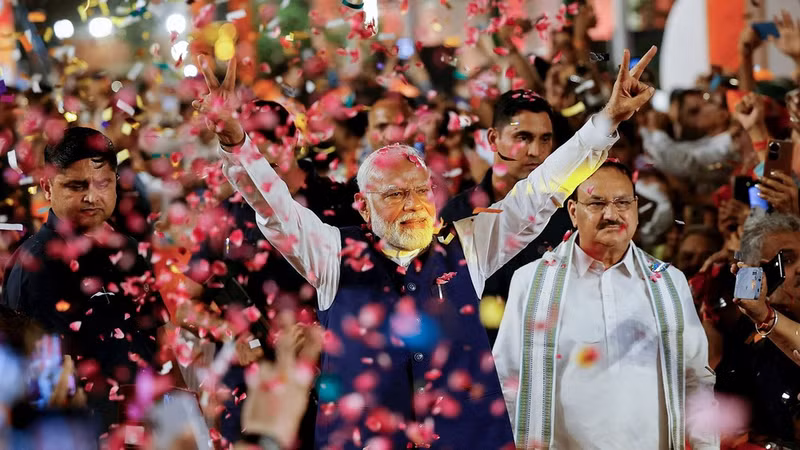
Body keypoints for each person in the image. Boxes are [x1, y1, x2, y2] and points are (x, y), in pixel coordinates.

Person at [193, 46, 658, 448]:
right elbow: (274, 209)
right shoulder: (331, 254)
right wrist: (236, 141)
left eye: (421, 192)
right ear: (362, 206)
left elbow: (542, 190)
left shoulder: (471, 244)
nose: (414, 206)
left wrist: (609, 120)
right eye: (395, 195)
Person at [493, 160, 719, 449]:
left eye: (623, 202)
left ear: (636, 209)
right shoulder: (531, 282)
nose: (612, 214)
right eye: (596, 203)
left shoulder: (669, 283)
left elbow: (696, 381)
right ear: (573, 211)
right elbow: (507, 382)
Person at [2, 127, 170, 432]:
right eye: (76, 186)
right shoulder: (32, 264)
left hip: (144, 424)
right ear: (47, 187)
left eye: (102, 183)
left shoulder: (130, 250)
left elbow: (157, 337)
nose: (92, 196)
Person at [439, 90, 569, 345]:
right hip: (482, 361)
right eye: (523, 137)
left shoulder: (565, 214)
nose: (535, 151)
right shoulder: (456, 216)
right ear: (493, 139)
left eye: (545, 139)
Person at [711, 212, 800, 446]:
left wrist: (767, 316)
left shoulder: (766, 321)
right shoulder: (741, 332)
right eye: (787, 260)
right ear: (756, 270)